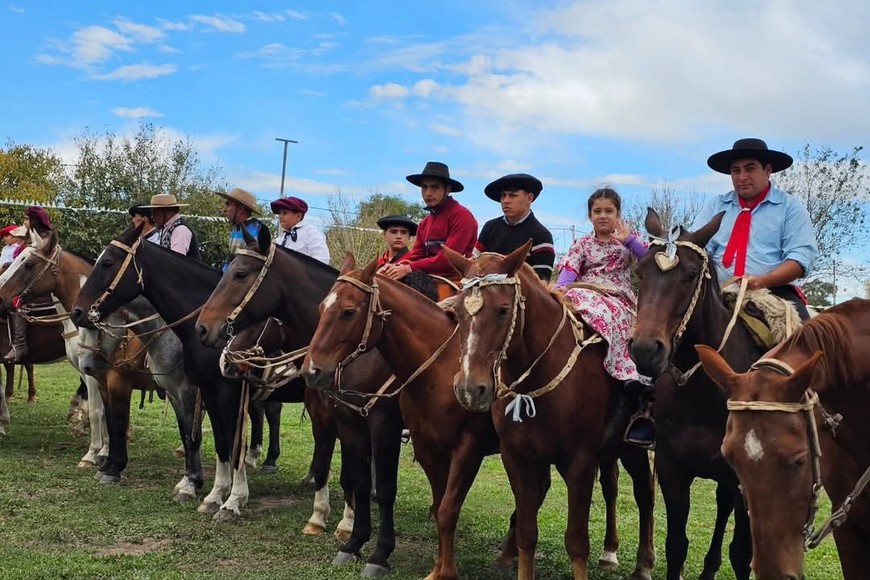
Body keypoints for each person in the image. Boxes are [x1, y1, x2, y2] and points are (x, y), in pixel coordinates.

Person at [554, 188, 651, 447]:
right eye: (597, 211)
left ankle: (627, 373)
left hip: (618, 295)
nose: (603, 216)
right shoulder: (582, 244)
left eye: (609, 211)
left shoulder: (629, 240)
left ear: (618, 214)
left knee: (609, 315)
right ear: (590, 216)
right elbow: (569, 272)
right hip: (585, 292)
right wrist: (560, 291)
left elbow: (650, 259)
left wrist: (629, 240)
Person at [695, 138, 819, 321]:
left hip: (774, 294)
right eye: (735, 171)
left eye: (750, 168)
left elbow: (801, 257)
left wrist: (762, 281)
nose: (741, 177)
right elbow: (697, 247)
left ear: (768, 170)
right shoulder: (715, 206)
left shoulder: (789, 208)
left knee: (803, 341)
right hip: (716, 294)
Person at [380, 162, 477, 299]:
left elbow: (447, 259)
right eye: (424, 187)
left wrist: (409, 268)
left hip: (455, 281)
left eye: (434, 187)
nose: (428, 193)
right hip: (427, 278)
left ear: (447, 189)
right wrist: (393, 267)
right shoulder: (425, 223)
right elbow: (416, 255)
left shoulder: (462, 216)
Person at [475, 173, 555, 282]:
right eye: (503, 195)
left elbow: (540, 284)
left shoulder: (541, 235)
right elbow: (475, 265)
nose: (505, 201)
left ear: (529, 198)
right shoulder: (490, 227)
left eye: (513, 195)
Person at [215, 188, 272, 271]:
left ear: (241, 209)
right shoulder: (236, 230)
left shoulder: (255, 232)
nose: (224, 209)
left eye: (228, 204)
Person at [270, 196, 330, 264]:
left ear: (298, 215)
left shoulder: (311, 233)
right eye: (279, 213)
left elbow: (322, 260)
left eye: (285, 213)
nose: (280, 217)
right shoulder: (280, 239)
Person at [141, 194, 201, 260]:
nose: (152, 217)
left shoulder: (180, 230)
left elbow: (175, 262)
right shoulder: (167, 229)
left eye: (155, 212)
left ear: (168, 211)